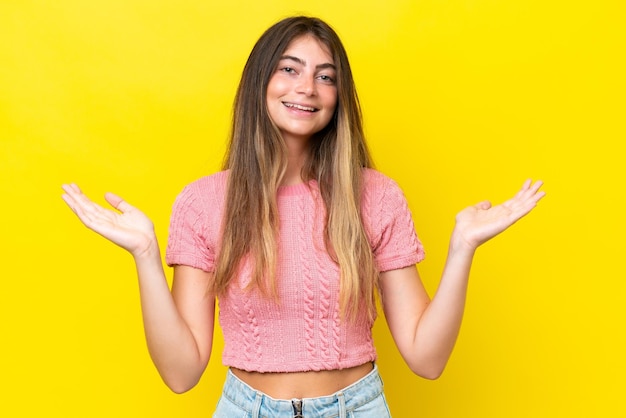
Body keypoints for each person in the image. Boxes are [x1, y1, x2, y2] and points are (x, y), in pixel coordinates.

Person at [61, 15, 545, 418]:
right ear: (261, 82)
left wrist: (463, 247)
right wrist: (146, 254)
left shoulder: (375, 196)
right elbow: (182, 373)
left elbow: (427, 357)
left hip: (358, 408)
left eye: (325, 76)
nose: (307, 88)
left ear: (338, 98)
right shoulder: (204, 203)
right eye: (290, 70)